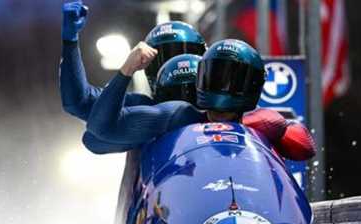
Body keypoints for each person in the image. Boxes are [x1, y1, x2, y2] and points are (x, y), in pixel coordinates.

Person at [84, 39, 316, 160]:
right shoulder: (176, 116)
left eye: (231, 79)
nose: (222, 86)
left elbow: (305, 149)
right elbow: (97, 134)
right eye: (216, 76)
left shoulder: (264, 122)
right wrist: (126, 71)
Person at [60, 1, 206, 121]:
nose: (179, 68)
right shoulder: (139, 106)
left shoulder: (223, 105)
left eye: (183, 55)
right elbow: (78, 102)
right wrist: (70, 42)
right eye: (163, 60)